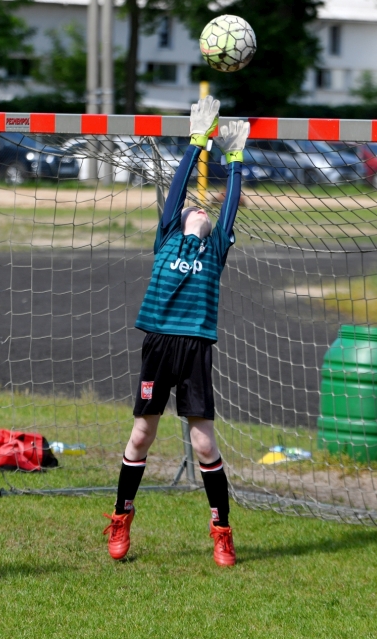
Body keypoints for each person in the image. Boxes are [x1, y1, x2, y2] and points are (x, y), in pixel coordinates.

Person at [102, 97, 248, 566]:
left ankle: (222, 531)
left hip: (196, 349)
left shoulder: (216, 249)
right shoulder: (167, 236)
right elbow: (179, 188)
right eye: (191, 208)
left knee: (204, 443)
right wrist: (197, 142)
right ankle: (121, 517)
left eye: (204, 209)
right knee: (141, 435)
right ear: (179, 222)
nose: (198, 209)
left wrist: (235, 158)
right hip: (160, 344)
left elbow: (229, 207)